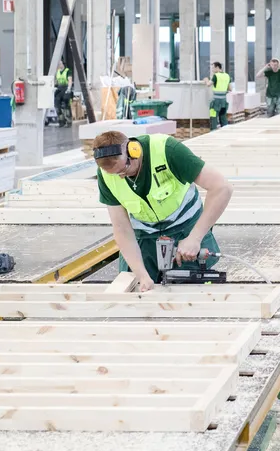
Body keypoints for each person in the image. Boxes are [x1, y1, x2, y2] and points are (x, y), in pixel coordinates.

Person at [91, 129, 233, 293]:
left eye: (123, 169)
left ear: (133, 151)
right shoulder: (107, 175)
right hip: (144, 235)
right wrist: (141, 275)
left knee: (189, 290)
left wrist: (194, 238)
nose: (121, 176)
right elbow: (121, 227)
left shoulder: (167, 150)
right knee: (135, 287)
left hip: (185, 228)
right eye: (115, 174)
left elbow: (222, 188)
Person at [204, 62, 232, 129]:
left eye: (213, 68)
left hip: (216, 101)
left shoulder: (216, 76)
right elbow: (230, 89)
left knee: (213, 116)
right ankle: (225, 131)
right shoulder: (227, 76)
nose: (212, 70)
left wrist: (206, 80)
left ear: (217, 67)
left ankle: (213, 131)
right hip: (224, 101)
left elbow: (208, 84)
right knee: (223, 117)